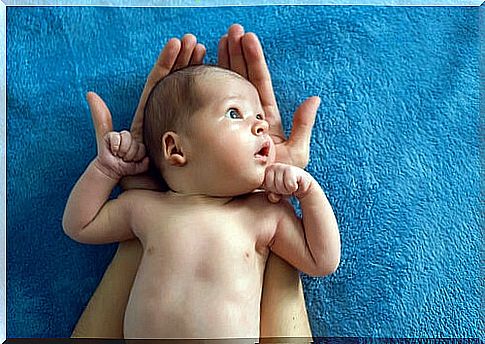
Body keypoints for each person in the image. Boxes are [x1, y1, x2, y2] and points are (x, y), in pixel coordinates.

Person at [69, 24, 325, 338]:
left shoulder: (264, 215)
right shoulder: (145, 207)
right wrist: (106, 171)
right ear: (175, 148)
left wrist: (308, 193)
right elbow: (80, 225)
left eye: (259, 116)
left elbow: (320, 259)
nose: (261, 127)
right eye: (235, 113)